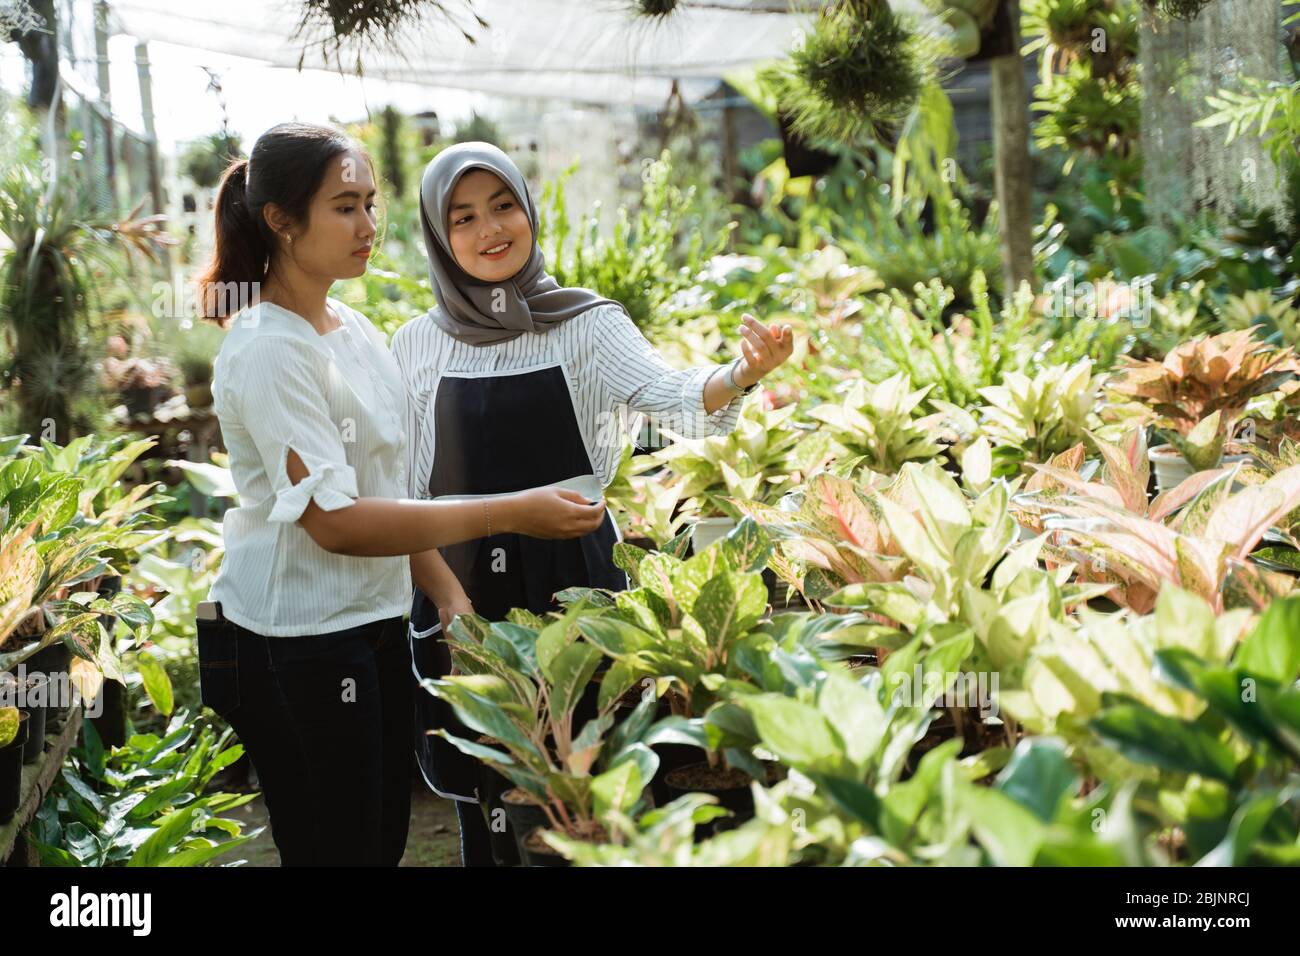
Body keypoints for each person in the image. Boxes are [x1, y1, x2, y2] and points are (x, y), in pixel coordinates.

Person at [194, 124, 606, 867]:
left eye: (372, 204)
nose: (368, 227)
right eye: (344, 207)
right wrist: (513, 510)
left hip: (373, 623)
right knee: (338, 849)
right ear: (281, 221)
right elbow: (337, 523)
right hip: (298, 641)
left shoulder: (350, 328)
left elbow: (383, 487)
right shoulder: (267, 350)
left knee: (379, 842)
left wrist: (447, 595)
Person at [390, 141, 796, 865]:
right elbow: (404, 493)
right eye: (464, 217)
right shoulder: (415, 346)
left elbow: (676, 402)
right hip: (462, 591)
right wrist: (447, 603)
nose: (490, 230)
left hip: (574, 576)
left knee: (594, 787)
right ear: (437, 236)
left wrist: (741, 373)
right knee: (487, 793)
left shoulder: (586, 325)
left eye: (504, 205)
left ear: (529, 210)